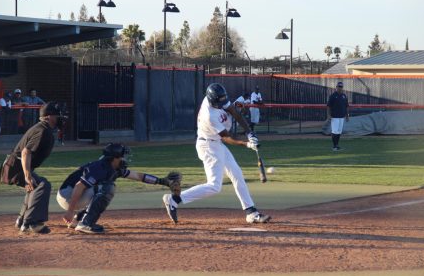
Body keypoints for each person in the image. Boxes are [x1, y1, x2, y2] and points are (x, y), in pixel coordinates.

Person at [162, 83, 271, 224]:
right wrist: (247, 144)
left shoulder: (219, 99)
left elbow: (234, 112)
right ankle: (174, 199)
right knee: (214, 186)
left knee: (237, 174)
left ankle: (251, 212)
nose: (223, 104)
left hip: (216, 144)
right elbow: (226, 137)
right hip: (208, 146)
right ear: (212, 100)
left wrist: (250, 133)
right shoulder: (209, 115)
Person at [57, 143, 182, 234]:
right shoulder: (99, 167)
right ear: (114, 158)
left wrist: (163, 181)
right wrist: (70, 210)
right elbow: (79, 186)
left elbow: (138, 176)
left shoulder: (113, 168)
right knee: (107, 188)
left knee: (103, 187)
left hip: (75, 194)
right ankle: (85, 224)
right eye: (122, 156)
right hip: (68, 195)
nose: (124, 159)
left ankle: (78, 221)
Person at [10, 102, 66, 233]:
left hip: (15, 166)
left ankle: (22, 220)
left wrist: (28, 175)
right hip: (16, 167)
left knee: (34, 186)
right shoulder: (42, 131)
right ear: (48, 117)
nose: (60, 118)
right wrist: (27, 175)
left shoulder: (43, 128)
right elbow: (25, 152)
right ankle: (32, 223)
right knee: (43, 185)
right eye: (57, 116)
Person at [326, 81, 349, 151]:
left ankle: (337, 145)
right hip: (334, 116)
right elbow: (328, 106)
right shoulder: (333, 96)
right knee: (334, 131)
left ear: (342, 88)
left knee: (339, 131)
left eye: (341, 87)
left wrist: (347, 115)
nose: (340, 88)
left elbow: (347, 106)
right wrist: (328, 115)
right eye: (339, 86)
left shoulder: (344, 96)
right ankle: (334, 146)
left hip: (341, 116)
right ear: (336, 87)